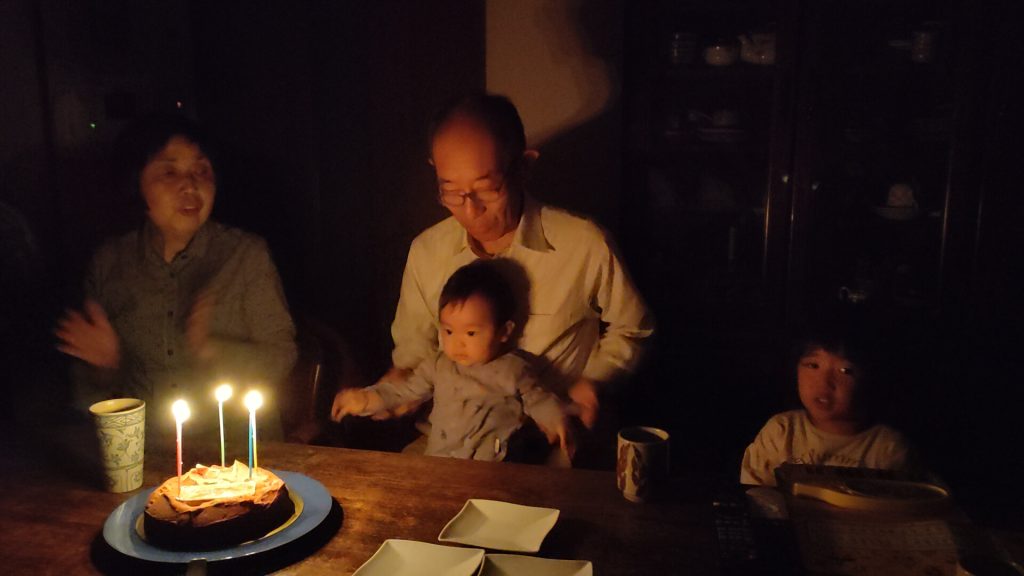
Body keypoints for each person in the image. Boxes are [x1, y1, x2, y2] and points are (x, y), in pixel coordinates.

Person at [334, 93, 652, 462]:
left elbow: (632, 327)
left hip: (548, 443)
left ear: (523, 167)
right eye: (451, 192)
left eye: (488, 189)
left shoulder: (582, 245)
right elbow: (413, 357)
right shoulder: (428, 252)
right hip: (449, 444)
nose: (471, 210)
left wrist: (592, 381)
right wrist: (385, 395)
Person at [55, 114, 297, 441]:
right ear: (136, 183)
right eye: (169, 173)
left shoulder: (245, 255)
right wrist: (106, 366)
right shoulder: (110, 264)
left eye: (202, 171)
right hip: (148, 449)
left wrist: (211, 349)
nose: (190, 185)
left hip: (237, 449)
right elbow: (88, 395)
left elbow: (282, 357)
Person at [331, 260, 573, 462]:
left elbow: (538, 399)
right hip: (440, 461)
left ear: (504, 331)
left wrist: (556, 420)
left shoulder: (514, 369)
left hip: (494, 467)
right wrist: (366, 399)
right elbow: (404, 391)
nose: (457, 343)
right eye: (448, 331)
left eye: (471, 333)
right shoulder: (438, 365)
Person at [740, 316, 922, 486]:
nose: (824, 382)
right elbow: (756, 494)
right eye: (813, 365)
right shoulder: (782, 432)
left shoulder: (889, 450)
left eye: (845, 370)